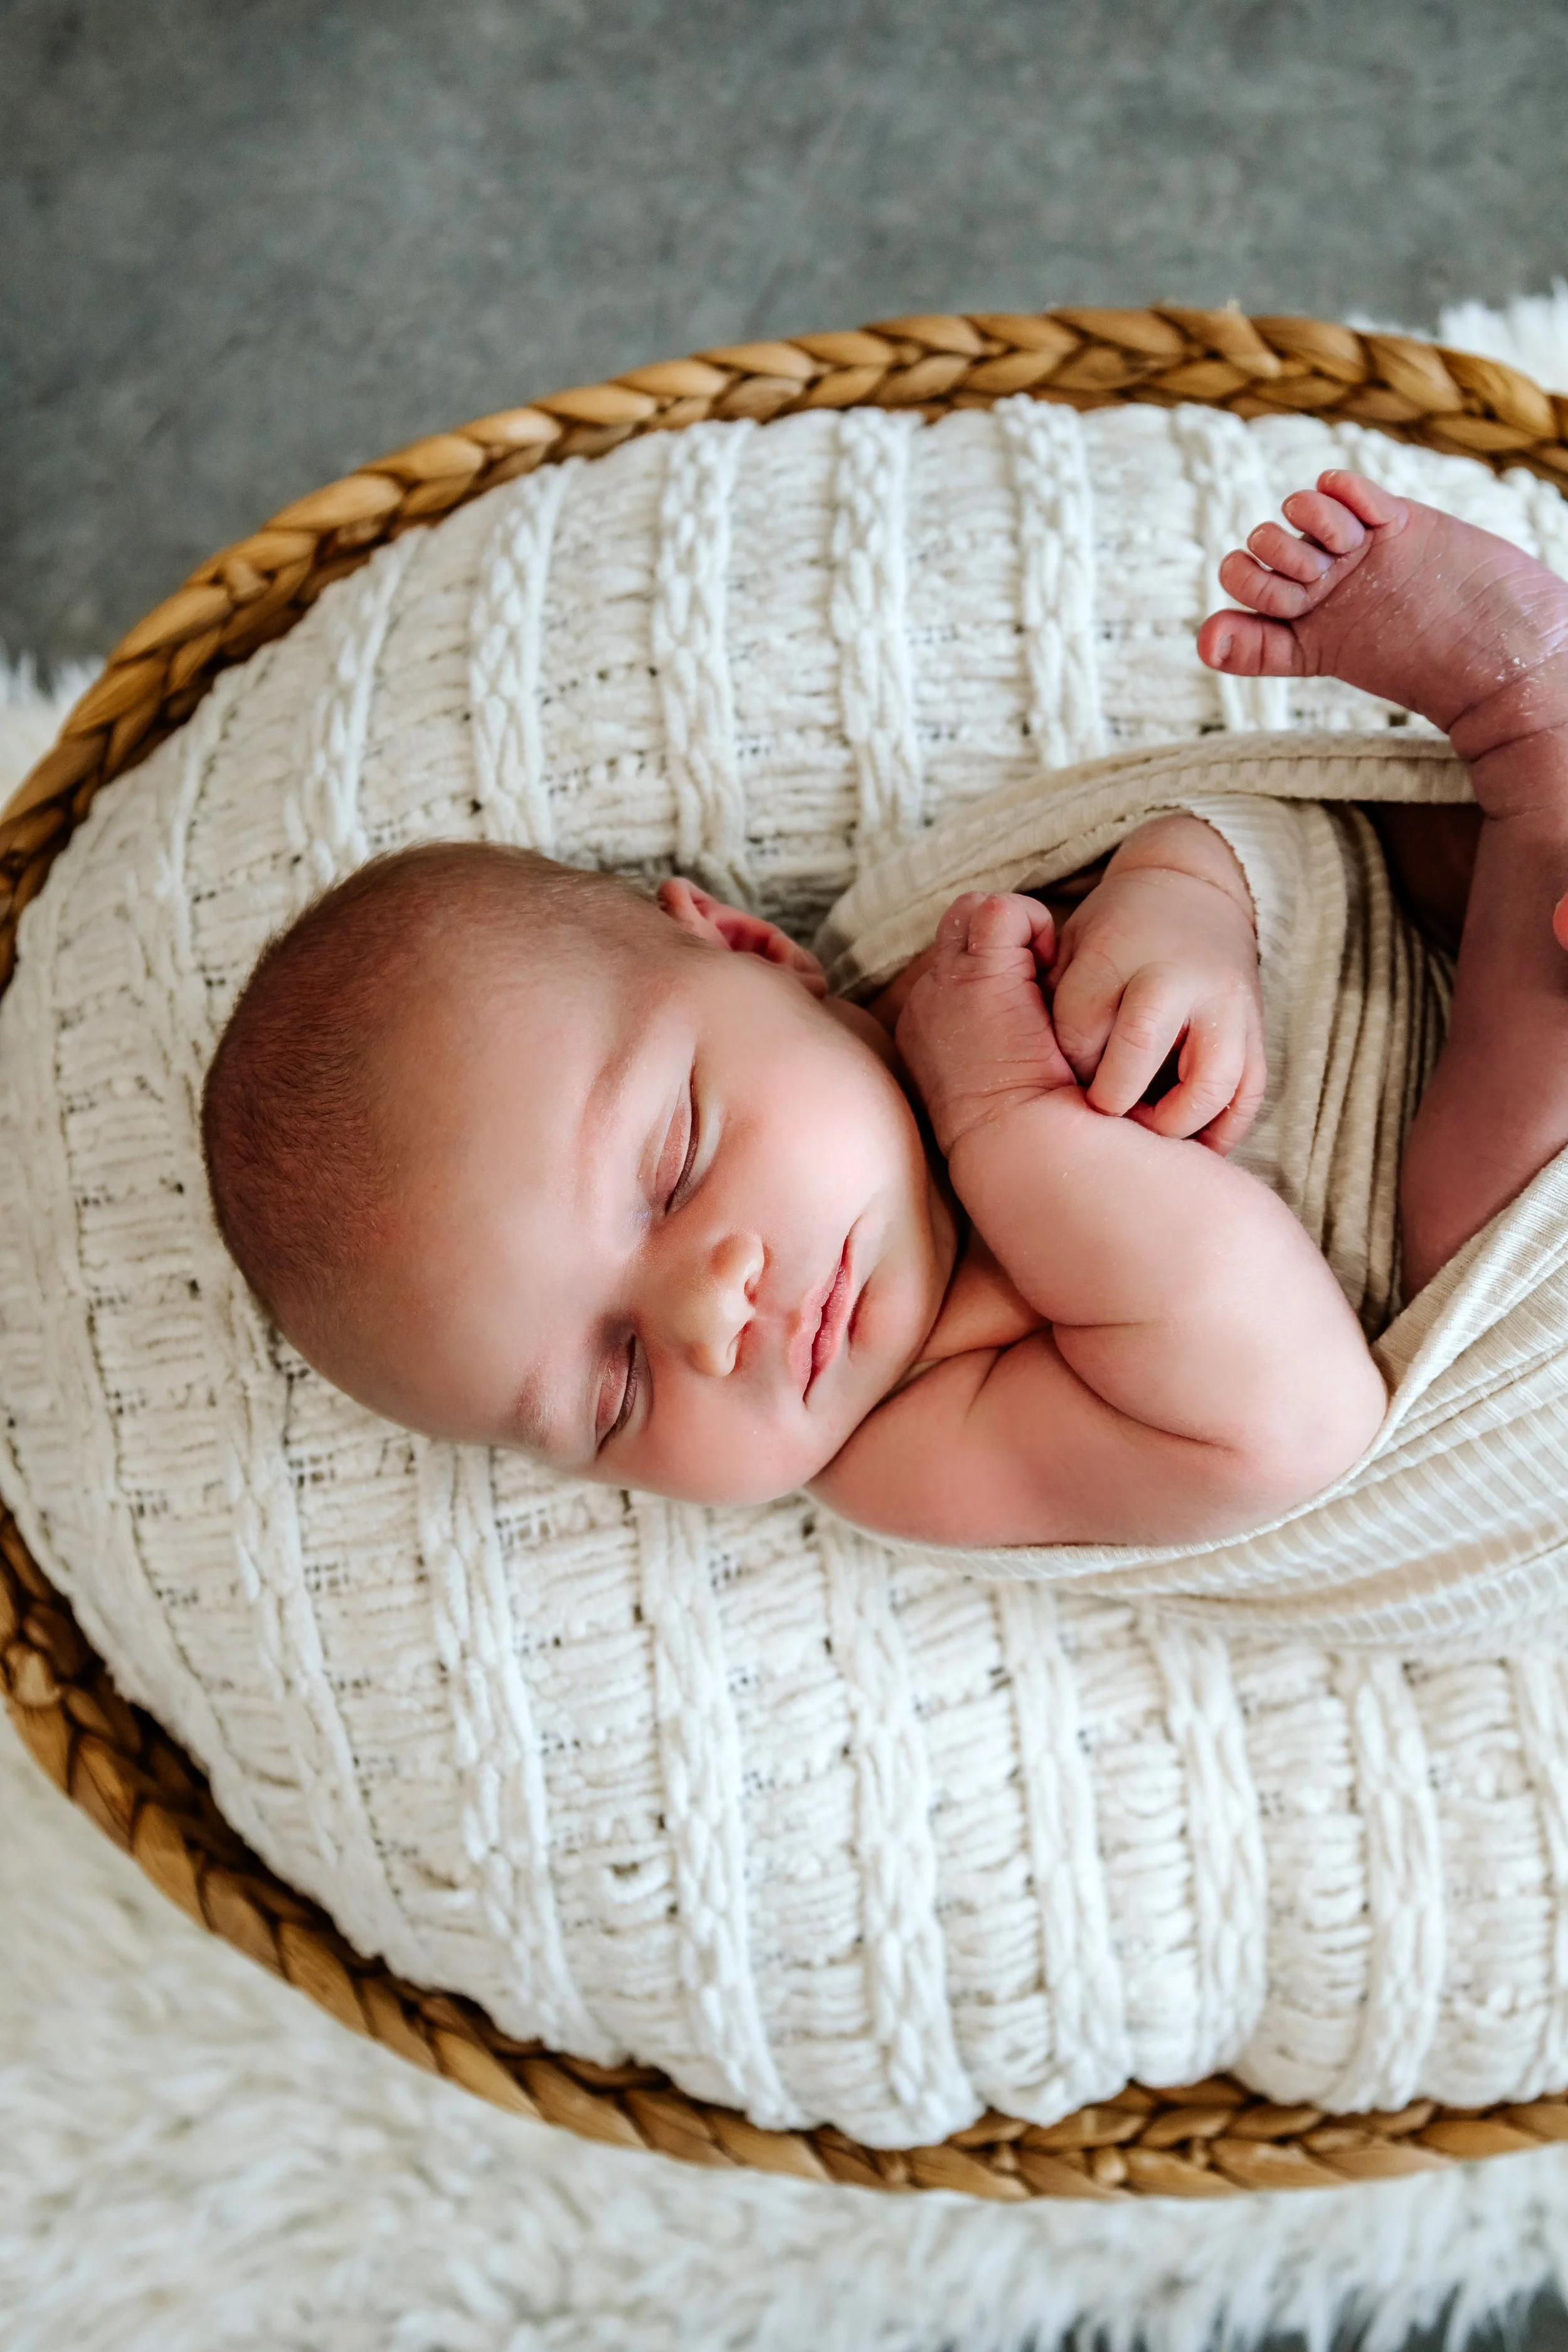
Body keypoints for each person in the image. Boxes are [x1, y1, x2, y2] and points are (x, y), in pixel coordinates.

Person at [200, 471, 1568, 1548]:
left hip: (1425, 950)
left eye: (673, 1167)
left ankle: (1516, 735)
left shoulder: (929, 936)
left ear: (748, 947)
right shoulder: (913, 1452)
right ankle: (1536, 732)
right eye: (614, 1389)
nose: (706, 1317)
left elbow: (1271, 837)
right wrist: (1003, 1121)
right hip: (1482, 1305)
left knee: (1411, 863)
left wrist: (1185, 902)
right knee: (1457, 1221)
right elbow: (1292, 1422)